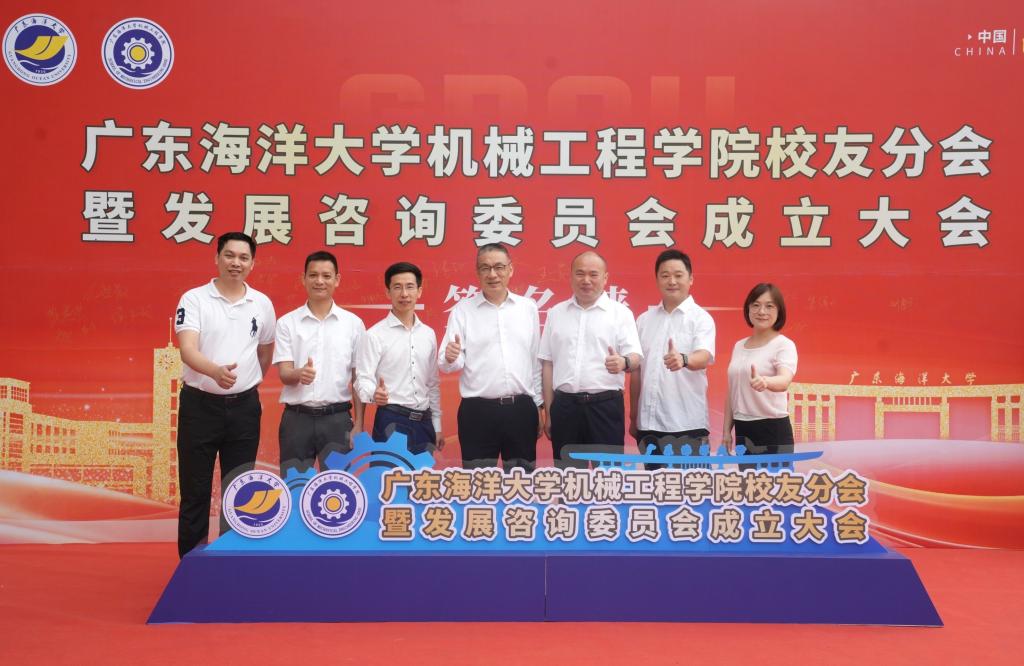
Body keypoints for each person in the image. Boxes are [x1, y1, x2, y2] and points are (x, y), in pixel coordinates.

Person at [173, 231, 275, 558]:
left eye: (244, 258)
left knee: (239, 492)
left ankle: (229, 566)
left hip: (244, 409)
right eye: (229, 255)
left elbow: (265, 351)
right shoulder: (194, 299)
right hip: (199, 407)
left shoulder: (262, 303)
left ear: (252, 263)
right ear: (217, 258)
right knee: (195, 492)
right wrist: (214, 371)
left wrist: (247, 381)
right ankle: (191, 567)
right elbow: (187, 349)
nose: (236, 263)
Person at [438, 243, 542, 470]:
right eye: (485, 268)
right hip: (477, 412)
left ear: (510, 269)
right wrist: (450, 356)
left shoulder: (527, 308)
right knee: (477, 484)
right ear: (477, 272)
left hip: (521, 409)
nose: (492, 274)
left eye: (499, 267)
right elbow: (448, 364)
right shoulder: (463, 310)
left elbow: (535, 361)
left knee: (521, 482)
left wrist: (538, 405)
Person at [540, 251, 643, 468]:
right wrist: (549, 412)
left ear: (605, 278)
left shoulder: (620, 313)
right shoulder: (556, 313)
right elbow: (548, 364)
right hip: (565, 408)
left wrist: (623, 362)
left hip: (604, 407)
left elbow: (635, 357)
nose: (586, 280)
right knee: (568, 479)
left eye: (593, 274)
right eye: (580, 273)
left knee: (607, 479)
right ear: (571, 276)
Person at [273, 251, 365, 474]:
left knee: (339, 489)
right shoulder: (287, 323)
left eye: (326, 276)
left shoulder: (353, 324)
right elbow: (284, 374)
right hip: (297, 420)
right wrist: (298, 374)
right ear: (303, 279)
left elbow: (358, 379)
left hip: (337, 420)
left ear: (337, 279)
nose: (319, 281)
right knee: (294, 487)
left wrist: (359, 424)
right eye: (313, 275)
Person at [629, 250, 715, 469]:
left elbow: (704, 356)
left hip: (687, 425)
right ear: (657, 279)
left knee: (694, 489)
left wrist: (684, 359)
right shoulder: (644, 320)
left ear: (690, 279)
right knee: (656, 489)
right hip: (649, 425)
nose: (672, 281)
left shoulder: (700, 318)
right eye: (665, 275)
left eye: (678, 275)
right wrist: (634, 415)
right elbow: (637, 372)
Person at [355, 262, 442, 455]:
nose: (404, 294)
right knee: (388, 474)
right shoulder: (374, 335)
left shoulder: (428, 334)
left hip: (424, 422)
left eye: (410, 287)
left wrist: (437, 425)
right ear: (388, 292)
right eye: (397, 287)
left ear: (419, 291)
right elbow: (362, 378)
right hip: (391, 420)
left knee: (423, 475)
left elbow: (432, 383)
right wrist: (374, 394)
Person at [722, 283, 798, 469]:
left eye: (769, 306)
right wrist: (726, 431)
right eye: (755, 305)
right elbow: (732, 391)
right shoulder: (739, 346)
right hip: (743, 430)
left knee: (774, 487)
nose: (761, 311)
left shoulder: (783, 345)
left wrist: (765, 381)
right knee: (749, 486)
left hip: (773, 430)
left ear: (779, 311)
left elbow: (784, 380)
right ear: (748, 309)